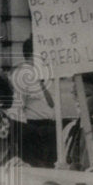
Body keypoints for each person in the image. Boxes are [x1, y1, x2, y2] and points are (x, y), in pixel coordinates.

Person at [8, 38, 58, 167]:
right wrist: (28, 133)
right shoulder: (23, 76)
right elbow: (17, 109)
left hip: (50, 129)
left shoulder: (44, 75)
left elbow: (52, 104)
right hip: (34, 130)